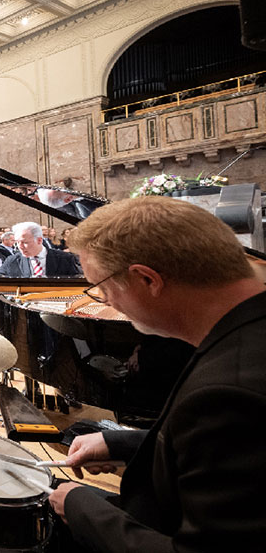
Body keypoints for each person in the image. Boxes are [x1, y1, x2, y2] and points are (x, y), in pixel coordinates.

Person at [49, 196, 266, 552]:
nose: (106, 302)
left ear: (147, 279)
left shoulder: (227, 394)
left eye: (101, 289)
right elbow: (215, 452)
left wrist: (80, 507)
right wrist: (119, 442)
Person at [0, 222, 81, 278]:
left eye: (24, 242)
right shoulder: (13, 260)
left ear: (39, 240)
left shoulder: (64, 258)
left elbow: (76, 279)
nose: (20, 246)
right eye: (17, 242)